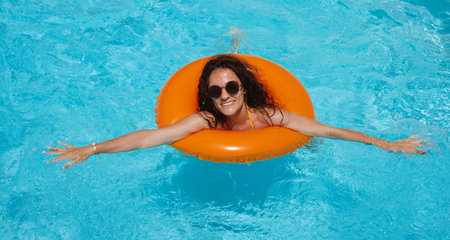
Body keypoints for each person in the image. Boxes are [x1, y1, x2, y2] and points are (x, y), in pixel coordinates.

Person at [45, 55, 426, 169]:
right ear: (208, 98)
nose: (224, 95)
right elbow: (149, 137)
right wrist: (91, 148)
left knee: (309, 145)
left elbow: (327, 130)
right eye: (215, 90)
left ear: (243, 88)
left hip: (278, 144)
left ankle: (236, 45)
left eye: (231, 86)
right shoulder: (206, 121)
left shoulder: (269, 117)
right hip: (226, 148)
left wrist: (384, 143)